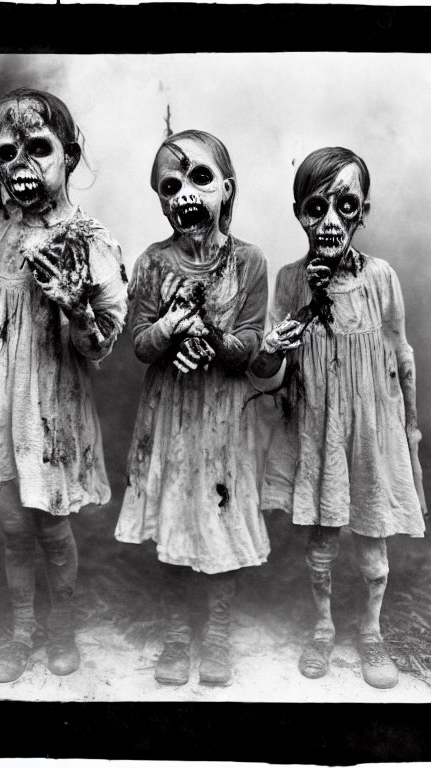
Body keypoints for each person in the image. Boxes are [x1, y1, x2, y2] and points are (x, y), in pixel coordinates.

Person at [0, 88, 128, 683]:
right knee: (13, 523)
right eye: (7, 153)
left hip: (49, 401)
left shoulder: (87, 237)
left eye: (38, 149)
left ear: (68, 155)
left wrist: (74, 308)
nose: (22, 165)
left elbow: (99, 347)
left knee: (49, 519)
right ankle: (22, 630)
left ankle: (62, 627)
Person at [250, 146, 426, 689]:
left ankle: (370, 632)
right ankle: (323, 627)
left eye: (344, 207)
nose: (329, 222)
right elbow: (265, 371)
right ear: (299, 211)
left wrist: (410, 428)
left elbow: (401, 354)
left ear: (363, 211)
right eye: (315, 208)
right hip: (319, 429)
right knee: (322, 543)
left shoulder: (381, 278)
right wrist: (273, 349)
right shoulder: (289, 281)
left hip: (372, 431)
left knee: (373, 544)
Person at [116, 130, 269, 687]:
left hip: (224, 417)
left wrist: (215, 338)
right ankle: (179, 634)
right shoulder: (153, 262)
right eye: (170, 185)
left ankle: (220, 633)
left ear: (226, 190)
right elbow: (138, 343)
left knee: (221, 520)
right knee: (178, 517)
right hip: (172, 414)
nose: (184, 193)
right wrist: (167, 330)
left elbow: (250, 344)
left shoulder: (249, 261)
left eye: (199, 179)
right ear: (159, 198)